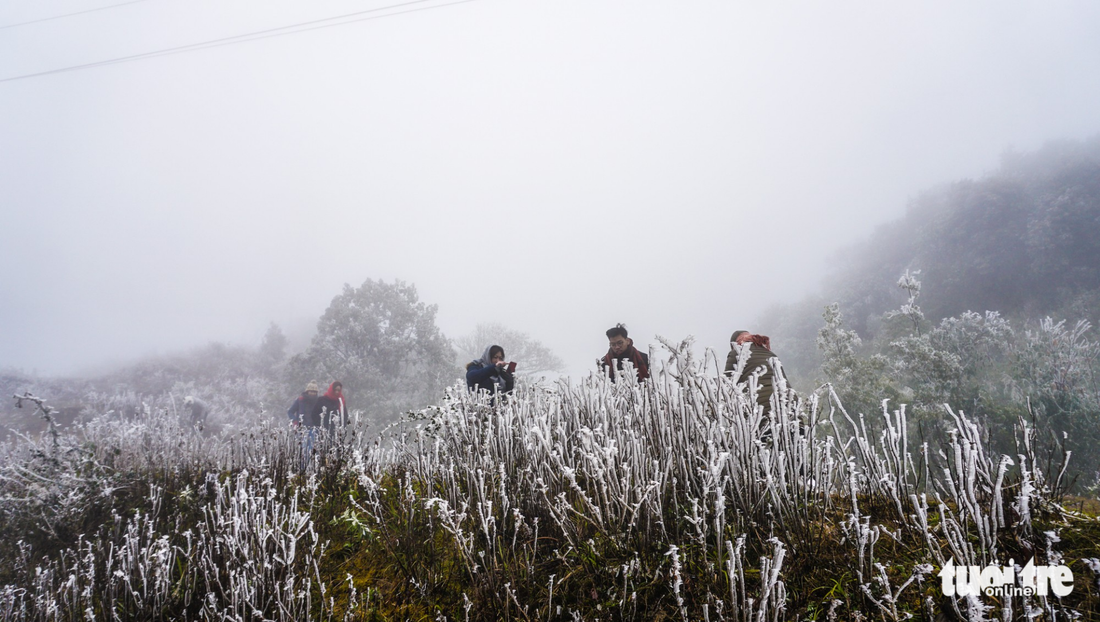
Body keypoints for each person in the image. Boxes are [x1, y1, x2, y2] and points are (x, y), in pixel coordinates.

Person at [723, 330, 784, 412]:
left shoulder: (737, 353)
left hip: (760, 405)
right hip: (786, 399)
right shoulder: (770, 353)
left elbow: (727, 384)